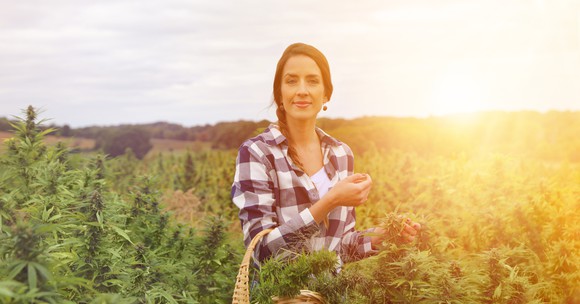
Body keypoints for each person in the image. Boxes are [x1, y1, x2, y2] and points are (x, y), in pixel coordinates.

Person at [231, 42, 420, 265]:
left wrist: (379, 237)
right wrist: (329, 201)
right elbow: (261, 253)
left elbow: (339, 247)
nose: (302, 90)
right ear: (279, 94)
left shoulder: (341, 154)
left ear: (326, 94)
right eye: (292, 81)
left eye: (312, 81)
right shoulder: (257, 153)